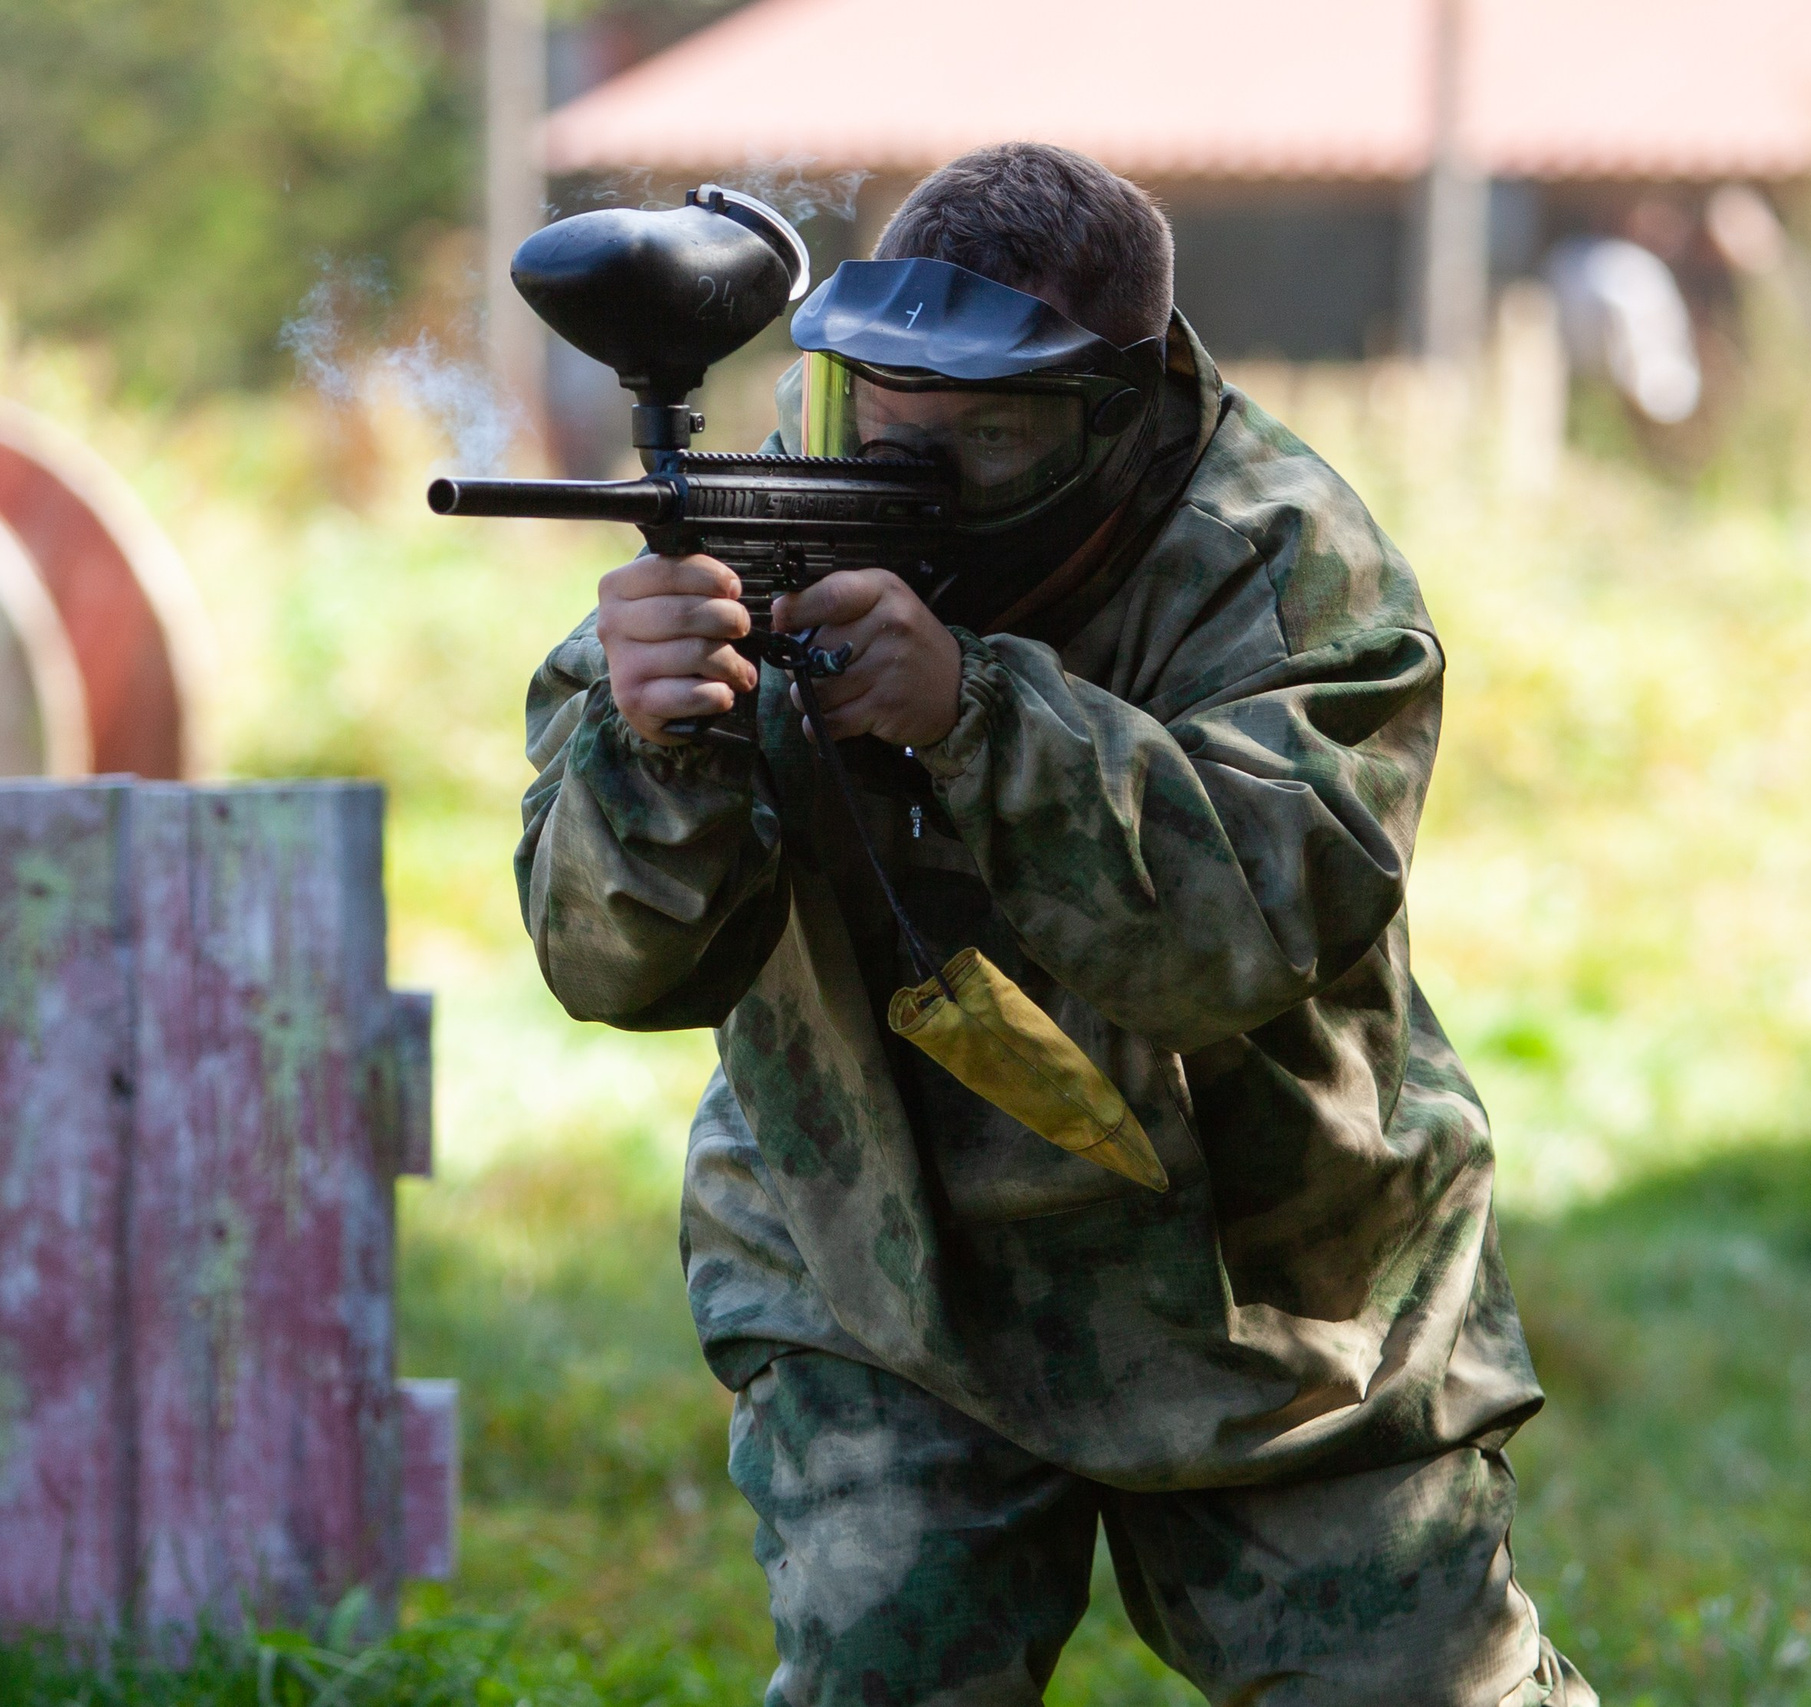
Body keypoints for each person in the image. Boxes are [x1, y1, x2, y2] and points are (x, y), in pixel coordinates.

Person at [516, 141, 1595, 1707]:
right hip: (882, 1262)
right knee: (889, 1666)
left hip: (1268, 1286)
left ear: (1120, 409)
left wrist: (975, 717)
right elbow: (606, 960)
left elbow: (1253, 917)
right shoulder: (775, 523)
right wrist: (658, 740)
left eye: (989, 444)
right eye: (889, 435)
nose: (911, 489)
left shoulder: (1279, 561)